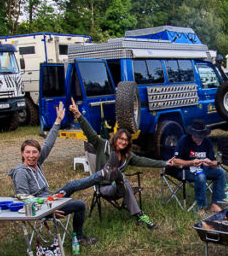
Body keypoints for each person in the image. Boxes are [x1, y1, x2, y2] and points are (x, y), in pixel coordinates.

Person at [58, 98, 170, 229]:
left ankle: (116, 177)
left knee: (121, 178)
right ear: (116, 138)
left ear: (128, 143)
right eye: (121, 139)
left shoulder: (128, 156)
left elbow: (146, 161)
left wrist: (164, 163)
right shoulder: (103, 146)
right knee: (121, 177)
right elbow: (90, 133)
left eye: (126, 140)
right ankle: (139, 214)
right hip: (105, 188)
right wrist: (78, 115)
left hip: (118, 188)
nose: (123, 142)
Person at [8, 102, 97, 245]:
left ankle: (102, 176)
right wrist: (48, 212)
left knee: (71, 185)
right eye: (28, 152)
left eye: (35, 152)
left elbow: (48, 144)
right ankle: (78, 237)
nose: (32, 156)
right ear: (22, 154)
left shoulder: (36, 163)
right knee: (79, 204)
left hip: (50, 200)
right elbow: (25, 200)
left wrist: (57, 121)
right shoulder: (20, 173)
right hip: (42, 207)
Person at [169, 120, 226, 215]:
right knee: (201, 176)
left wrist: (210, 163)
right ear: (191, 134)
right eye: (197, 136)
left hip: (203, 168)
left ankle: (215, 204)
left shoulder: (207, 142)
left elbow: (216, 163)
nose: (199, 139)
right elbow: (175, 160)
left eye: (201, 137)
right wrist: (191, 162)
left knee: (221, 173)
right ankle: (201, 207)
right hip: (185, 170)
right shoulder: (184, 140)